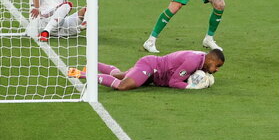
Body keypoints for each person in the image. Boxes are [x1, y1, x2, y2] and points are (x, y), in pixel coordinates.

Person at [72, 48, 224, 91]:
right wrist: (191, 86)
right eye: (217, 65)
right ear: (210, 59)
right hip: (151, 67)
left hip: (154, 73)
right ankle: (82, 74)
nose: (216, 69)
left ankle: (92, 64)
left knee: (120, 76)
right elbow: (173, 81)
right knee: (123, 85)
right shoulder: (193, 61)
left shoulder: (201, 60)